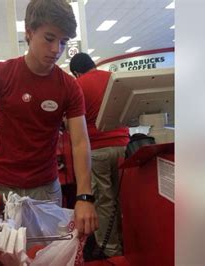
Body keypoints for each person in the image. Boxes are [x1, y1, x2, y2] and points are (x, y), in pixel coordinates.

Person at [0, 0, 98, 236]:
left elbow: (80, 142)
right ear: (29, 33)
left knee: (44, 255)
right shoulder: (0, 74)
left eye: (63, 42)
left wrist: (84, 196)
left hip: (45, 187)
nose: (56, 49)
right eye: (49, 38)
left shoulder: (69, 87)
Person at [70, 53, 130, 256]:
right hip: (123, 147)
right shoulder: (113, 79)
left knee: (104, 201)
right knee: (124, 199)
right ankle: (128, 242)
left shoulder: (79, 85)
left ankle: (110, 250)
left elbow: (72, 124)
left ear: (77, 72)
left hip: (97, 151)